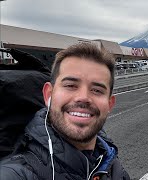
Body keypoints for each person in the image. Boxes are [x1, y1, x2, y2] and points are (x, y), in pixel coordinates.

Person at [0, 43, 130, 180]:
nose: (83, 98)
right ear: (48, 94)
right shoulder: (14, 174)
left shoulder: (113, 166)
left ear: (110, 104)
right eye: (70, 85)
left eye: (97, 90)